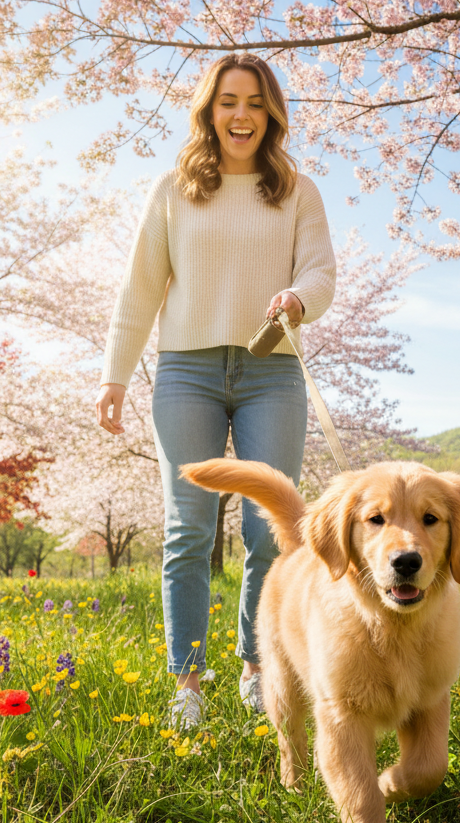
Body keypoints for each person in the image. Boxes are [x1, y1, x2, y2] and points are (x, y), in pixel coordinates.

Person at [95, 53, 336, 729]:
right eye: (229, 101)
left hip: (271, 372)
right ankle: (188, 684)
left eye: (255, 103)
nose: (241, 115)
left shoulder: (297, 191)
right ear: (209, 111)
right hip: (187, 374)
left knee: (271, 531)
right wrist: (115, 374)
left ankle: (258, 670)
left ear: (271, 114)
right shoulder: (175, 190)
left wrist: (298, 299)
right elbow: (140, 288)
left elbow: (321, 273)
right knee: (189, 530)